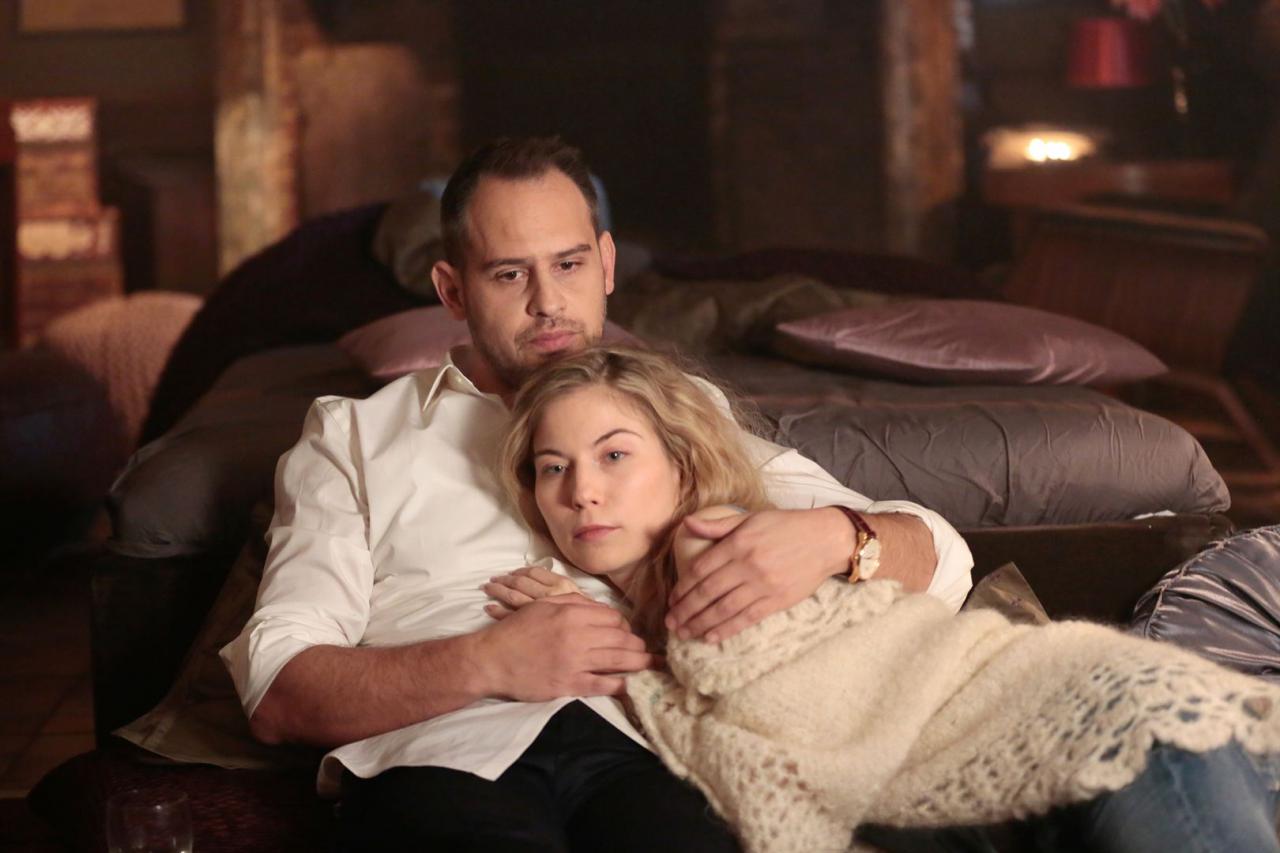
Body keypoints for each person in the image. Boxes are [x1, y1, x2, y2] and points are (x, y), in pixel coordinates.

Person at [220, 136, 973, 851]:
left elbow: (942, 563)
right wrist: (486, 661)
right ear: (452, 289)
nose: (549, 302)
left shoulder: (672, 408)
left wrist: (837, 535)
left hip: (654, 747)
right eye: (509, 274)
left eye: (569, 264)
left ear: (606, 265)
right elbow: (278, 690)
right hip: (442, 755)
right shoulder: (352, 436)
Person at [493, 344, 1280, 853]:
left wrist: (613, 653)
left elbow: (767, 728)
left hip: (1108, 714)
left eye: (614, 455)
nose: (582, 491)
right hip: (1032, 786)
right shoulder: (651, 616)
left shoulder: (719, 542)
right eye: (553, 467)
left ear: (683, 465)